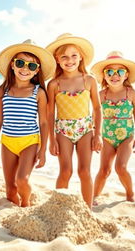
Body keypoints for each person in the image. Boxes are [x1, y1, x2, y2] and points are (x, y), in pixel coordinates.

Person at [0, 39, 56, 207]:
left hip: (30, 141)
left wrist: (43, 150)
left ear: (36, 71)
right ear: (12, 65)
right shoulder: (2, 91)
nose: (25, 69)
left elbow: (44, 123)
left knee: (22, 180)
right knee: (10, 189)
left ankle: (26, 204)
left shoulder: (38, 92)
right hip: (8, 142)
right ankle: (14, 208)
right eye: (20, 63)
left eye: (31, 66)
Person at [46, 33, 103, 208]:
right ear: (57, 59)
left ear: (80, 57)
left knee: (84, 171)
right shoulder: (54, 84)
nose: (69, 60)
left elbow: (97, 108)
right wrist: (52, 139)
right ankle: (59, 207)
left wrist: (98, 134)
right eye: (64, 56)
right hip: (62, 130)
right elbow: (49, 113)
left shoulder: (89, 80)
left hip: (85, 129)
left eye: (73, 56)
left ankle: (87, 209)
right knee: (66, 171)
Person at [91, 51, 135, 203]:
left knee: (120, 167)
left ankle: (130, 194)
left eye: (120, 71)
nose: (115, 75)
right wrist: (95, 136)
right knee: (104, 170)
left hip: (126, 137)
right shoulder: (101, 95)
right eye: (110, 72)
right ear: (104, 76)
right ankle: (94, 196)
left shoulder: (130, 93)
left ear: (126, 75)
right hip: (106, 137)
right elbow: (94, 117)